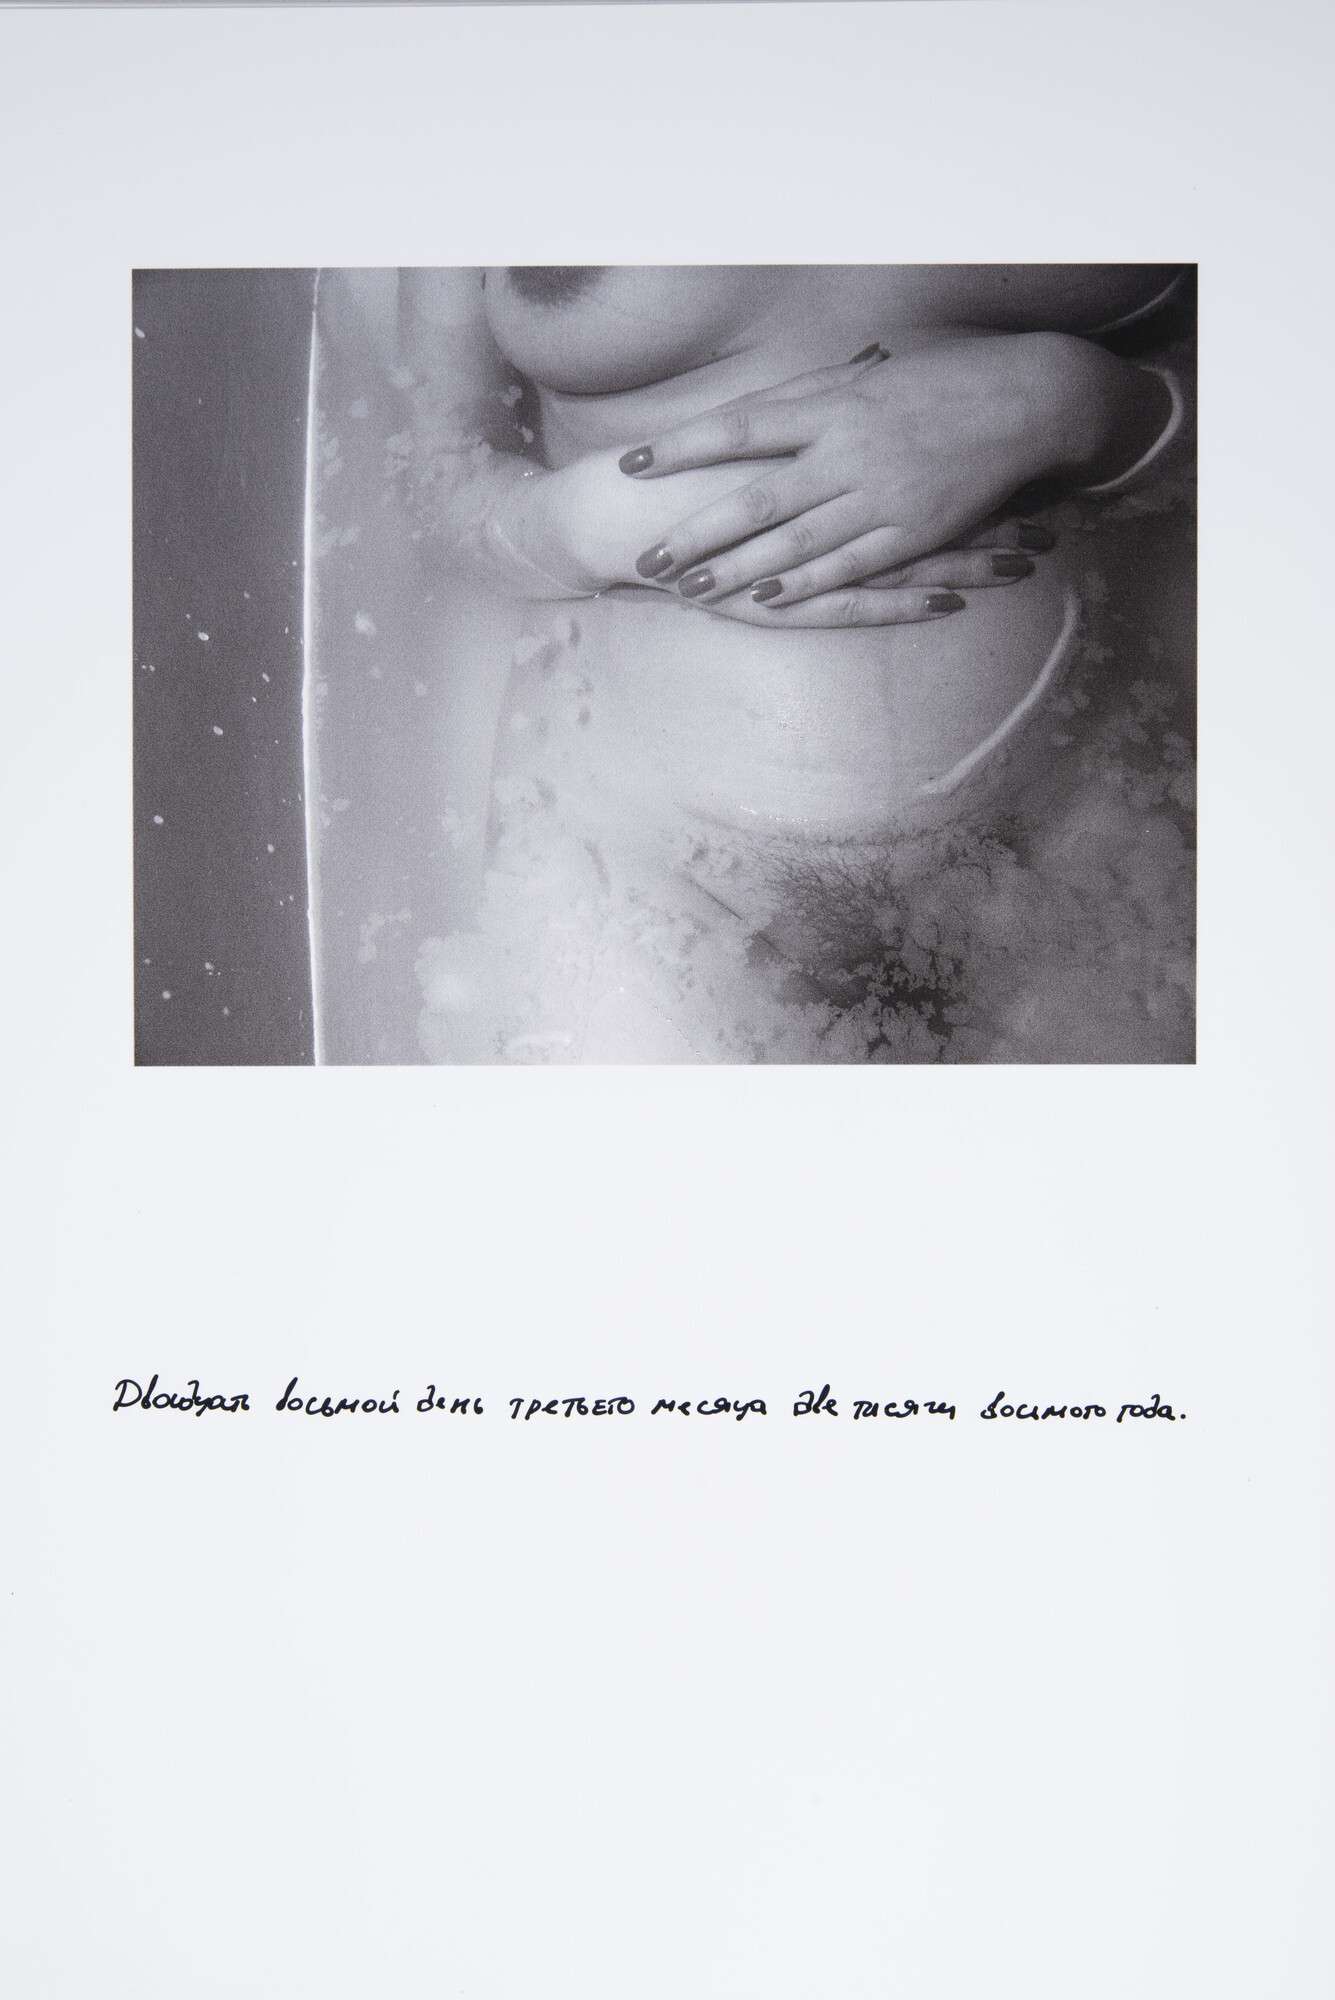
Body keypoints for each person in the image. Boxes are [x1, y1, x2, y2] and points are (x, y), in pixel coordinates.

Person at [307, 266, 1193, 1063]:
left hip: (1077, 802)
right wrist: (583, 526)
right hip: (638, 855)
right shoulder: (457, 155)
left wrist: (1080, 405)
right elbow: (434, 472)